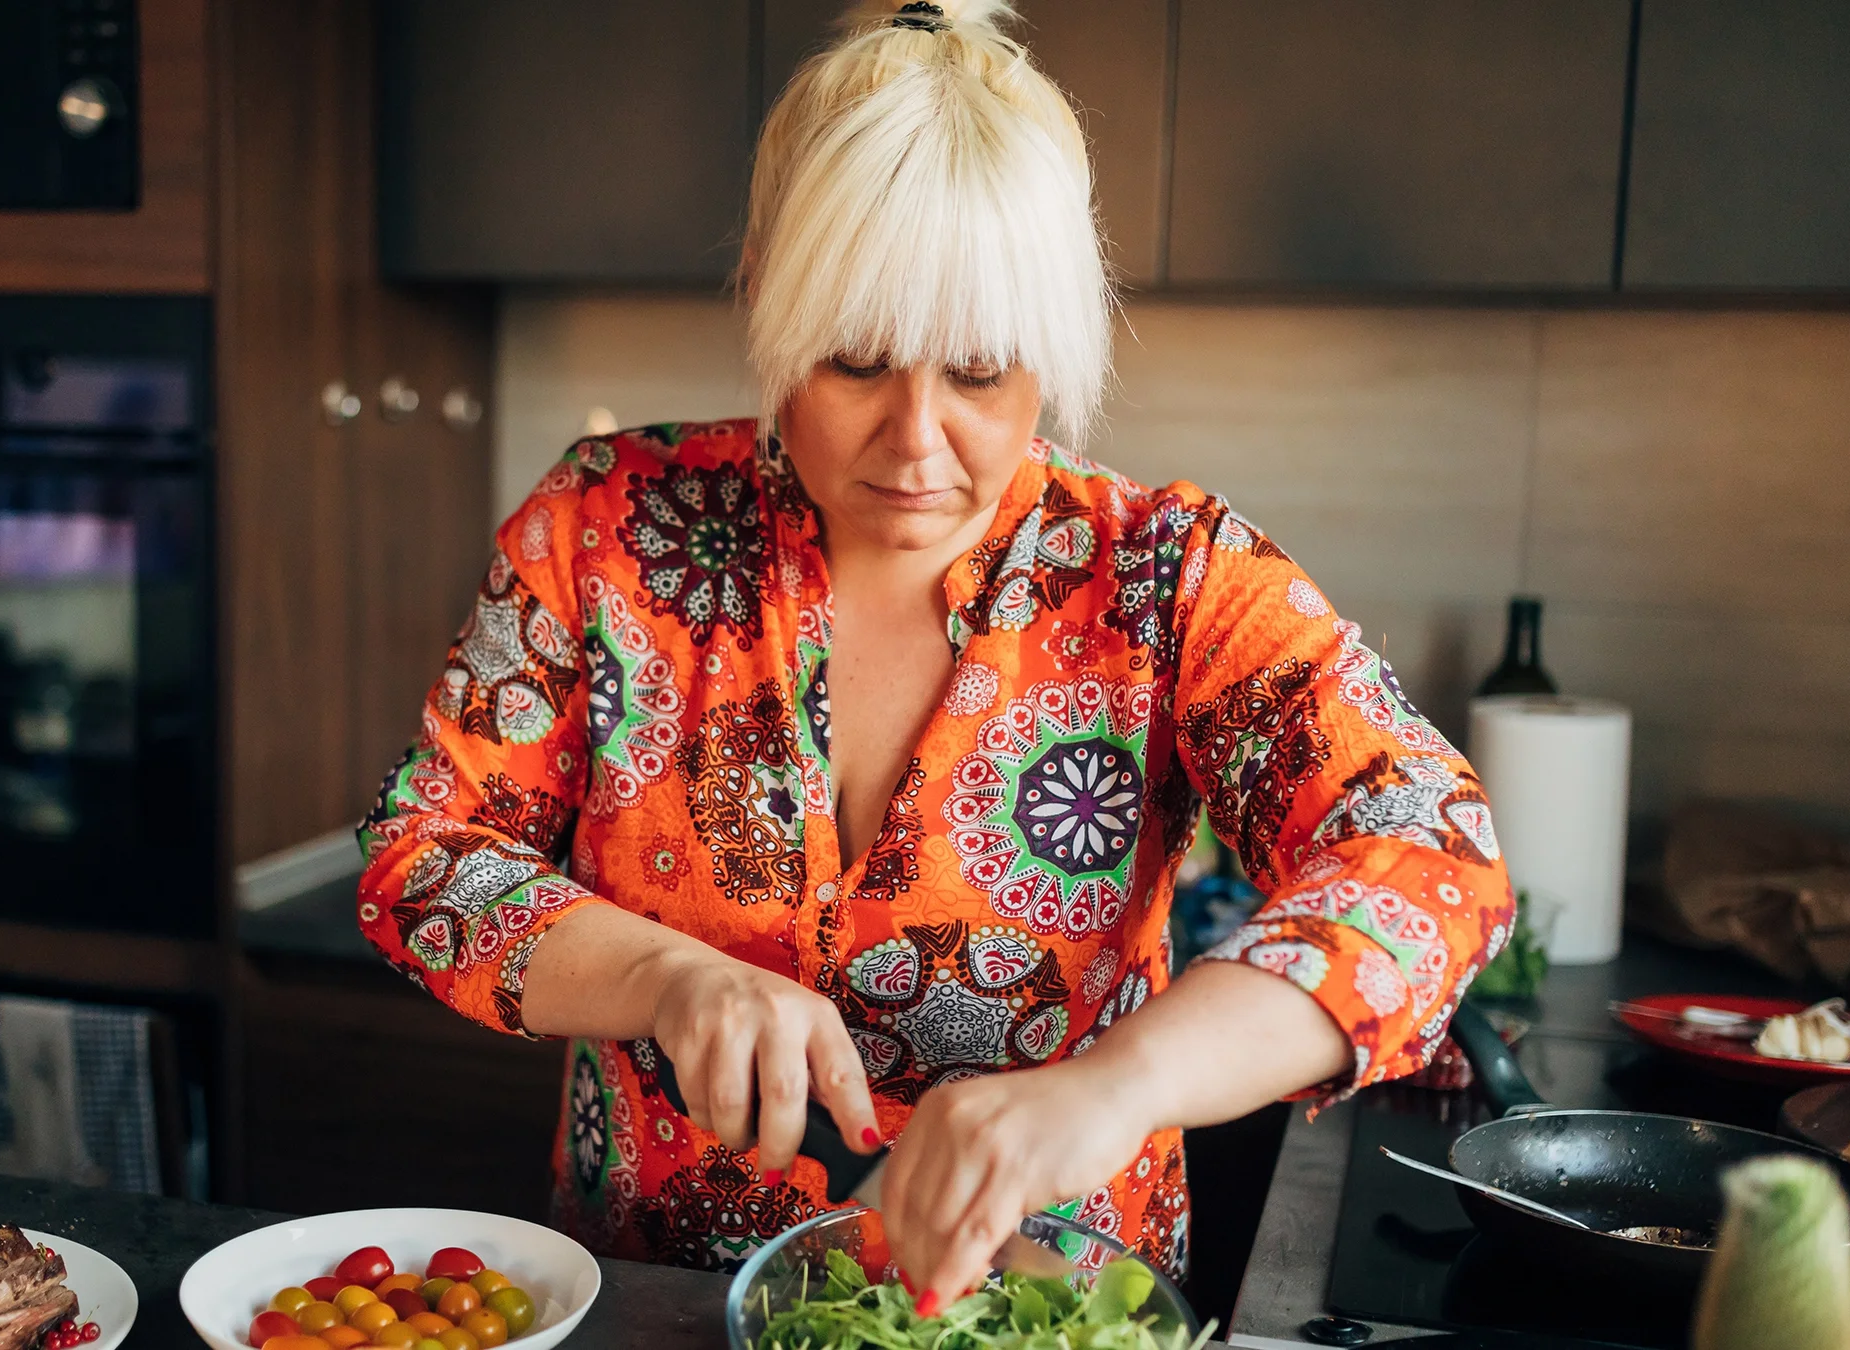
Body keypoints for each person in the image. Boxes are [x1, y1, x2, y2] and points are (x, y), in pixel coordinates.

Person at [356, 0, 1513, 1312]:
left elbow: (1434, 853)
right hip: (661, 1300)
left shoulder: (1166, 578)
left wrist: (1116, 1086)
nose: (917, 440)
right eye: (854, 361)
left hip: (1046, 1313)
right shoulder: (608, 528)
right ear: (763, 294)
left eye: (981, 370)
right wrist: (663, 977)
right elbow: (422, 853)